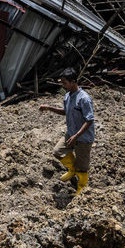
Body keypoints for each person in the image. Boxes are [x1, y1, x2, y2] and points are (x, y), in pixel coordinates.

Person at [39, 67, 95, 195]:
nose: (63, 86)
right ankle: (72, 169)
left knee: (83, 167)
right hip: (71, 134)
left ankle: (81, 189)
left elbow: (89, 120)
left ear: (73, 81)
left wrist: (76, 136)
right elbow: (65, 111)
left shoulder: (84, 99)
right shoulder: (67, 96)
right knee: (58, 151)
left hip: (83, 138)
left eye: (65, 83)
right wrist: (49, 108)